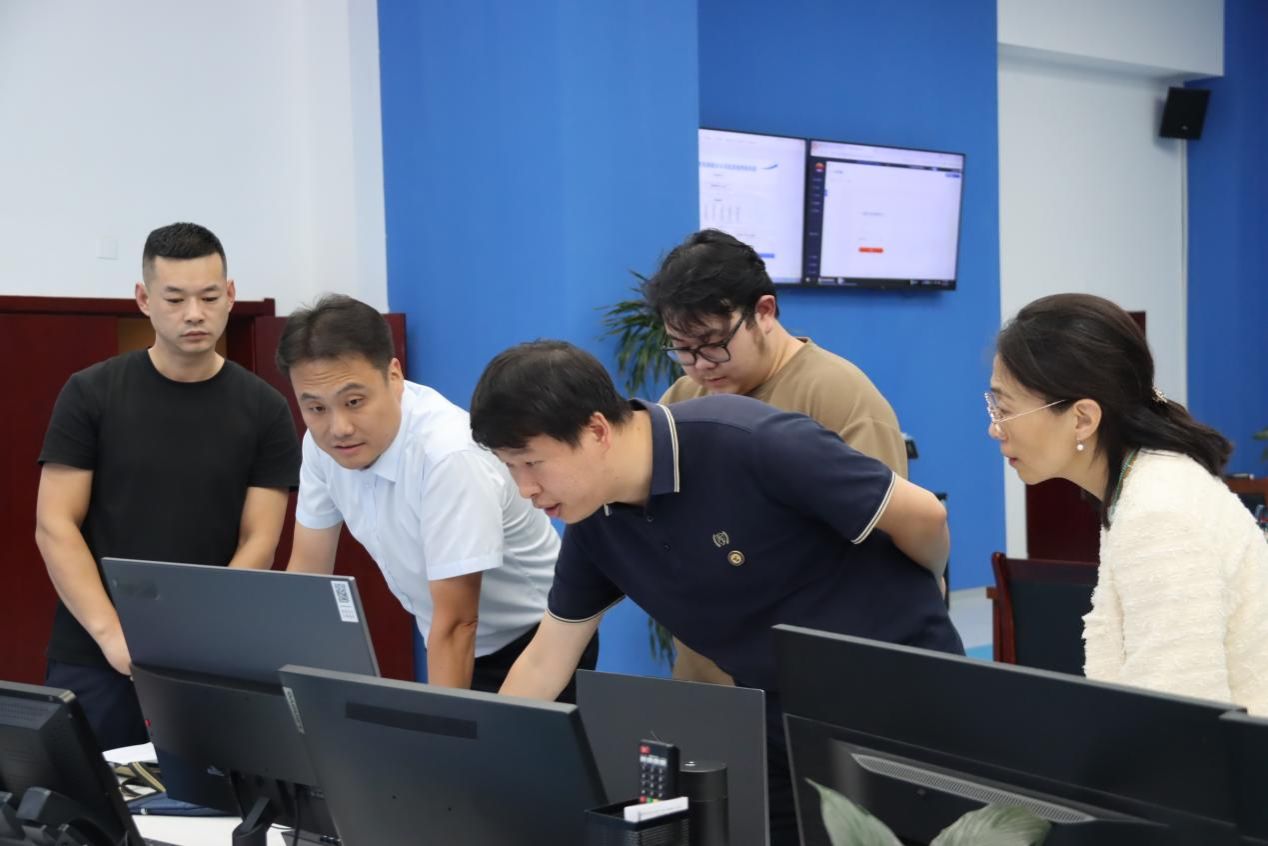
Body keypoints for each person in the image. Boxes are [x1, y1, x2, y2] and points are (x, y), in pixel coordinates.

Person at [469, 340, 961, 844]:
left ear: (596, 431)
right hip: (778, 713)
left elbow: (924, 515)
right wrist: (480, 770)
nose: (525, 489)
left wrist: (928, 593)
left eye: (532, 463)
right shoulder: (596, 521)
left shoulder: (747, 440)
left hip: (899, 696)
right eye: (510, 468)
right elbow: (545, 660)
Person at [35, 222, 301, 751]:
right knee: (87, 798)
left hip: (210, 658)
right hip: (95, 653)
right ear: (144, 299)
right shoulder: (91, 393)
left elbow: (260, 540)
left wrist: (197, 641)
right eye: (175, 299)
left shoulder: (265, 409)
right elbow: (54, 525)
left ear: (231, 295)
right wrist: (113, 636)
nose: (194, 313)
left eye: (209, 297)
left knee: (208, 796)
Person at [277, 295, 594, 695]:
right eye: (316, 408)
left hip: (536, 639)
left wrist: (443, 725)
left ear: (394, 376)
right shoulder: (321, 447)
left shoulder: (447, 455)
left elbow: (459, 622)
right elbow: (308, 572)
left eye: (354, 402)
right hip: (447, 634)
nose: (338, 427)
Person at [644, 228, 911, 683]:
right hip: (708, 675)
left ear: (764, 311)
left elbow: (884, 547)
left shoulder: (838, 395)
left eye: (713, 343)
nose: (701, 365)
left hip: (809, 671)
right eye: (683, 349)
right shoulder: (682, 399)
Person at [990, 292, 1267, 715]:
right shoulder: (1141, 481)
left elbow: (1182, 720)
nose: (995, 429)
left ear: (1083, 418)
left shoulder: (1158, 512)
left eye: (1004, 409)